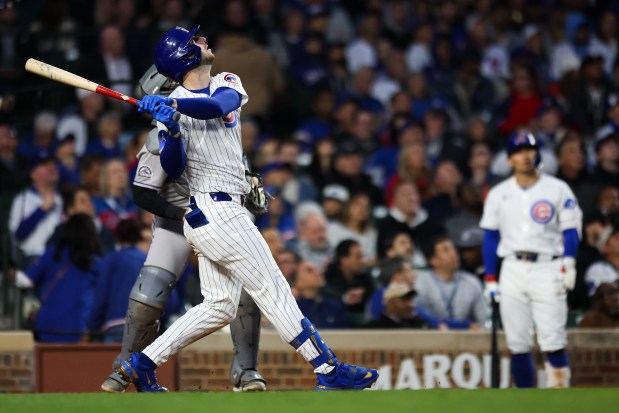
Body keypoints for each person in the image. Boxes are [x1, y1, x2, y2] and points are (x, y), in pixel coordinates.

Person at [114, 25, 378, 392]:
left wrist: (172, 106)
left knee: (220, 306)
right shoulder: (168, 107)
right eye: (195, 40)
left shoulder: (225, 81)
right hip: (213, 209)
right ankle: (327, 368)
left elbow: (218, 106)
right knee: (273, 289)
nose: (203, 40)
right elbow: (174, 169)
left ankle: (141, 363)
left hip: (219, 212)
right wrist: (171, 130)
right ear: (183, 55)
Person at [100, 65, 267, 393]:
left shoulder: (220, 122)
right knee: (151, 290)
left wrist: (248, 186)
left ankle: (246, 370)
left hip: (221, 219)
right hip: (179, 220)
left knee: (246, 287)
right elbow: (142, 192)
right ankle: (126, 366)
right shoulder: (158, 137)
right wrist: (185, 213)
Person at [480, 131, 583, 388]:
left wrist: (569, 262)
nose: (525, 155)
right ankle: (528, 402)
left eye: (529, 149)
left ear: (537, 153)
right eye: (518, 151)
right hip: (512, 268)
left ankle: (560, 399)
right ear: (509, 159)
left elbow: (570, 230)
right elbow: (490, 237)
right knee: (517, 343)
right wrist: (490, 278)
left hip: (548, 266)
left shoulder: (557, 188)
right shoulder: (498, 193)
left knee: (553, 340)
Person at [21, 213, 101, 342]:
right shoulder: (95, 263)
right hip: (77, 329)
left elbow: (25, 280)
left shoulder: (52, 254)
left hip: (46, 327)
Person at [415, 235, 488, 330]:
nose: (454, 254)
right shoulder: (420, 282)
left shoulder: (471, 282)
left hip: (466, 339)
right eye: (446, 250)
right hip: (431, 336)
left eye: (454, 249)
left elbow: (484, 318)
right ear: (433, 260)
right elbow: (417, 315)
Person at [364, 282, 429, 329]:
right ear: (390, 303)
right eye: (404, 300)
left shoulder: (418, 324)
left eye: (410, 300)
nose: (410, 305)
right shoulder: (374, 328)